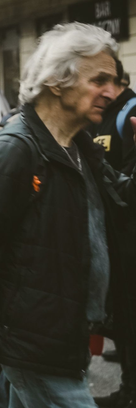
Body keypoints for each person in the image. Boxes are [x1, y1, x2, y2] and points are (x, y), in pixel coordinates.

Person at [0, 24, 135, 407]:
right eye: (100, 80)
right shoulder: (14, 153)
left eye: (114, 81)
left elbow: (123, 203)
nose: (112, 93)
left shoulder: (79, 147)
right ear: (55, 82)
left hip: (60, 335)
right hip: (32, 344)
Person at [90, 62, 136, 408]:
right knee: (122, 316)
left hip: (128, 232)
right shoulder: (102, 115)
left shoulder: (129, 112)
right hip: (113, 231)